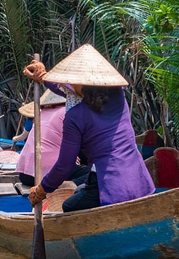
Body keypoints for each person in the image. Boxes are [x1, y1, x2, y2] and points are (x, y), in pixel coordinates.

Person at [24, 44, 155, 212]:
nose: (66, 84)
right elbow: (71, 92)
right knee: (79, 190)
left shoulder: (75, 116)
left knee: (68, 206)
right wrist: (43, 76)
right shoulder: (118, 96)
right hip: (139, 181)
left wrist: (42, 189)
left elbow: (64, 165)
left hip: (110, 186)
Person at [15, 90, 88, 187]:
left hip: (25, 175)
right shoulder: (67, 112)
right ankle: (69, 185)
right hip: (48, 176)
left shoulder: (42, 113)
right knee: (96, 174)